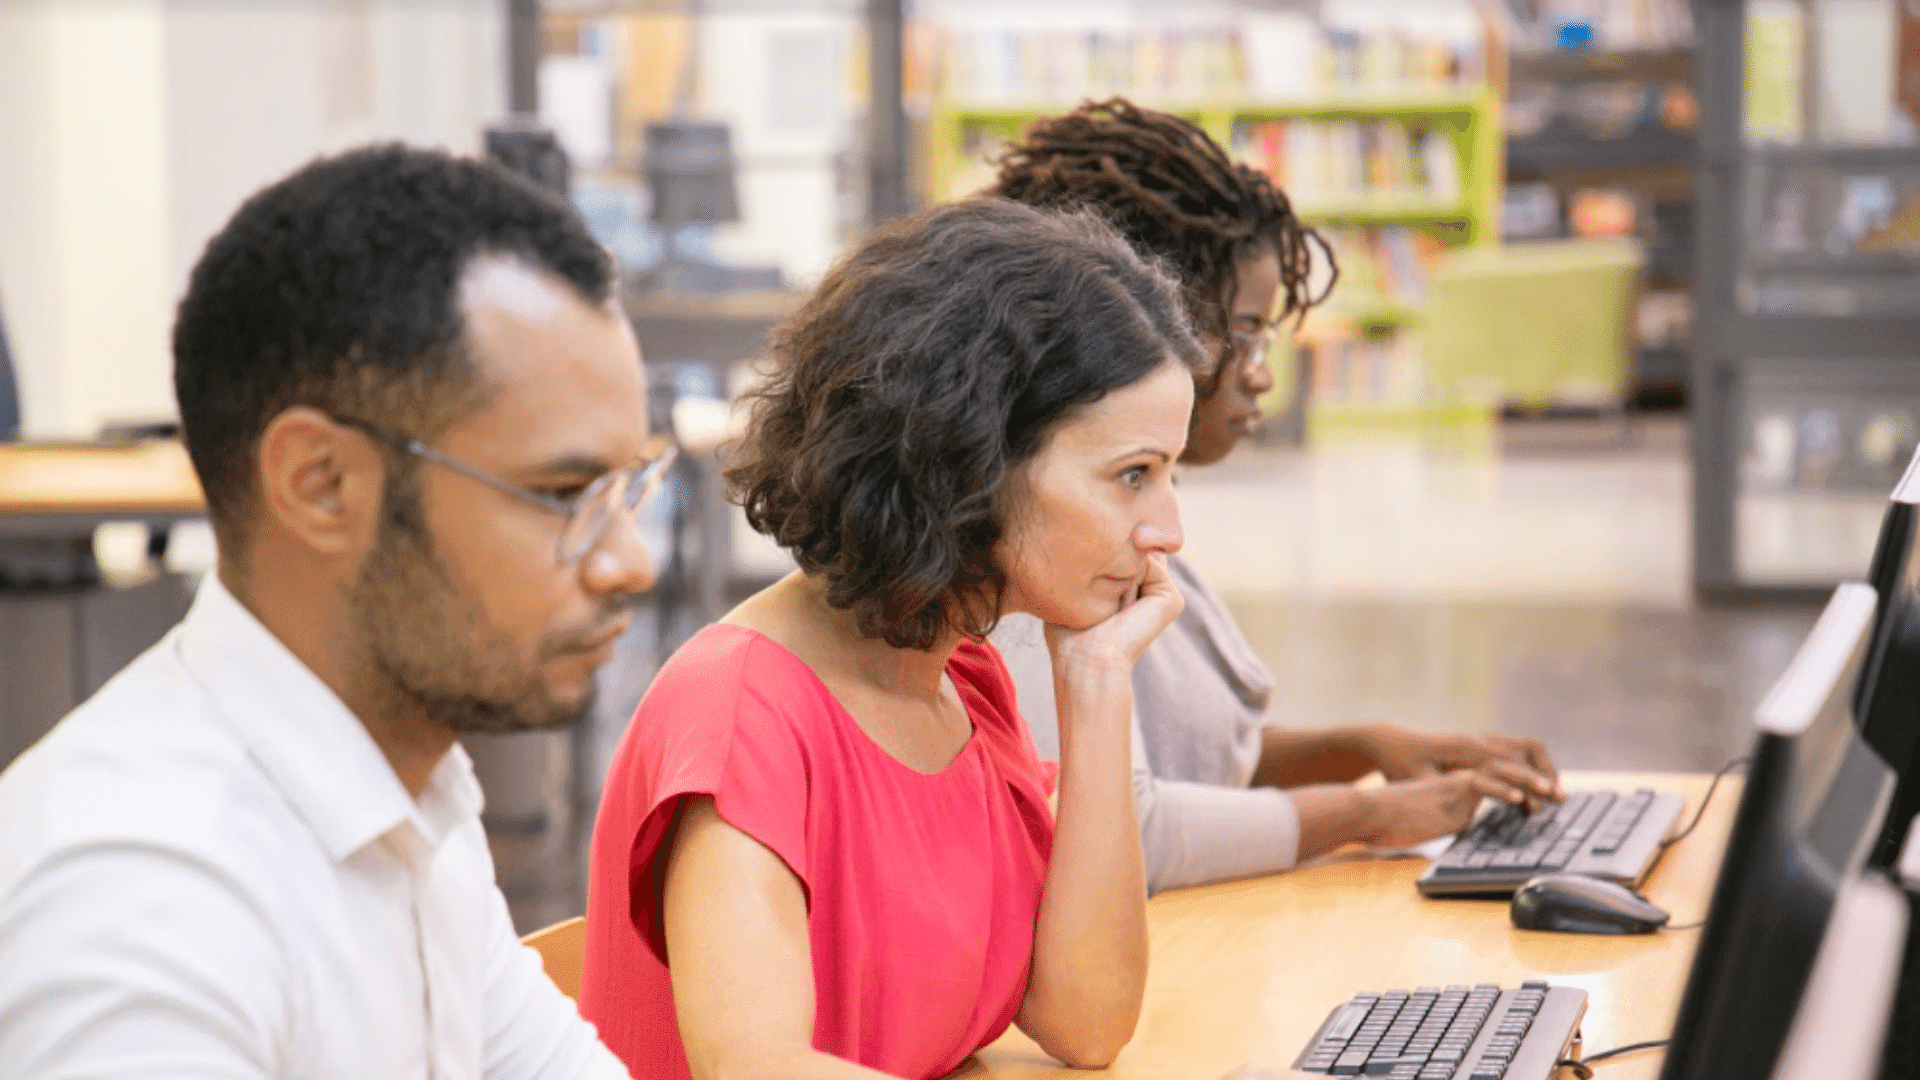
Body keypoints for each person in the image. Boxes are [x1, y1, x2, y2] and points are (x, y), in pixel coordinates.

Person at [0, 144, 673, 1078]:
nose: (629, 561)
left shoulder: (409, 799)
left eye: (627, 487)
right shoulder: (138, 902)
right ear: (321, 485)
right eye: (565, 493)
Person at [580, 199, 1209, 1080]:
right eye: (1132, 476)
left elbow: (1088, 1019)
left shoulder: (968, 683)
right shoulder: (740, 708)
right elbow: (758, 1070)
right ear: (972, 461)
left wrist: (1096, 685)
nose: (1167, 531)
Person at [987, 99, 1563, 894]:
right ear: (1147, 323)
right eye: (1247, 332)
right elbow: (1127, 824)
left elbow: (1199, 762)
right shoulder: (1054, 555)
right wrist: (1370, 815)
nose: (1261, 371)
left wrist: (1366, 747)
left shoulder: (1138, 521)